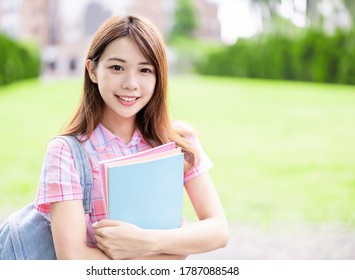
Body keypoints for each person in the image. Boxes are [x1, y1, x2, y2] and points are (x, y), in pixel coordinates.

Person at [34, 14, 228, 260]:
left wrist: (147, 242)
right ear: (92, 70)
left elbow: (218, 230)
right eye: (117, 67)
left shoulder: (178, 140)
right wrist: (173, 252)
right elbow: (73, 258)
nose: (131, 83)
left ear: (159, 77)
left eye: (145, 69)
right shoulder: (66, 152)